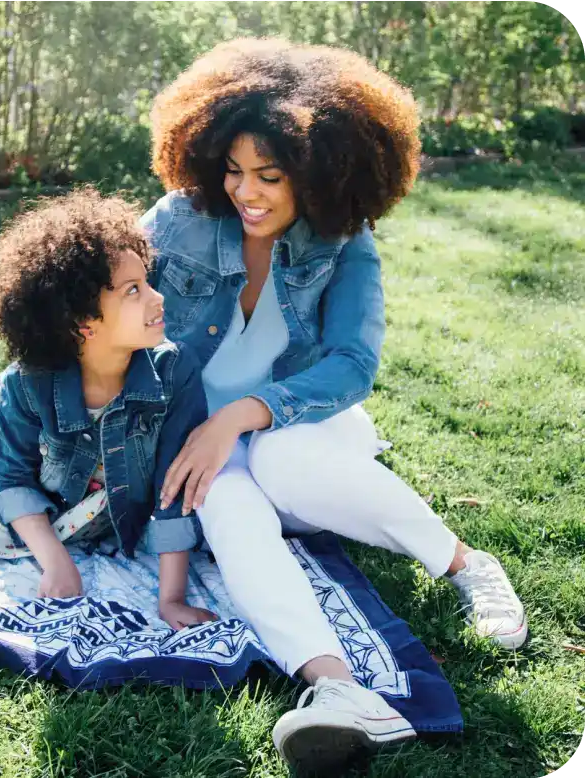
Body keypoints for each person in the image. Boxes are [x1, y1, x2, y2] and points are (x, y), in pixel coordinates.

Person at [138, 37, 527, 771]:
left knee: (280, 460)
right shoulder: (179, 221)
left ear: (318, 174)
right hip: (201, 438)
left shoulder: (344, 240)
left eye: (270, 176)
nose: (245, 193)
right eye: (233, 171)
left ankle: (464, 562)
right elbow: (97, 314)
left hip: (300, 432)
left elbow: (352, 364)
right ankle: (338, 690)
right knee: (217, 501)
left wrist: (242, 415)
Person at [0, 188, 216, 631]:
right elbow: (12, 475)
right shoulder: (31, 379)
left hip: (114, 506)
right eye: (134, 291)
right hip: (50, 494)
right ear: (82, 322)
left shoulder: (175, 371)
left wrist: (171, 599)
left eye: (147, 282)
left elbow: (175, 486)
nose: (158, 299)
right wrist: (56, 563)